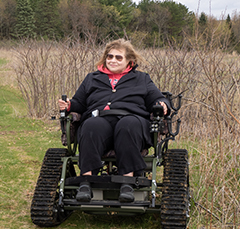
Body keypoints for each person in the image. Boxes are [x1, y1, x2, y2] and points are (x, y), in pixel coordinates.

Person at [58, 39, 170, 203]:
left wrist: (163, 105)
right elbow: (80, 104)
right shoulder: (92, 78)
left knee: (127, 125)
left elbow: (158, 98)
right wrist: (68, 105)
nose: (112, 60)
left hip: (132, 121)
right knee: (91, 125)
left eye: (118, 57)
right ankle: (86, 182)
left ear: (129, 61)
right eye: (109, 56)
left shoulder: (141, 79)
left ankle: (127, 182)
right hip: (99, 120)